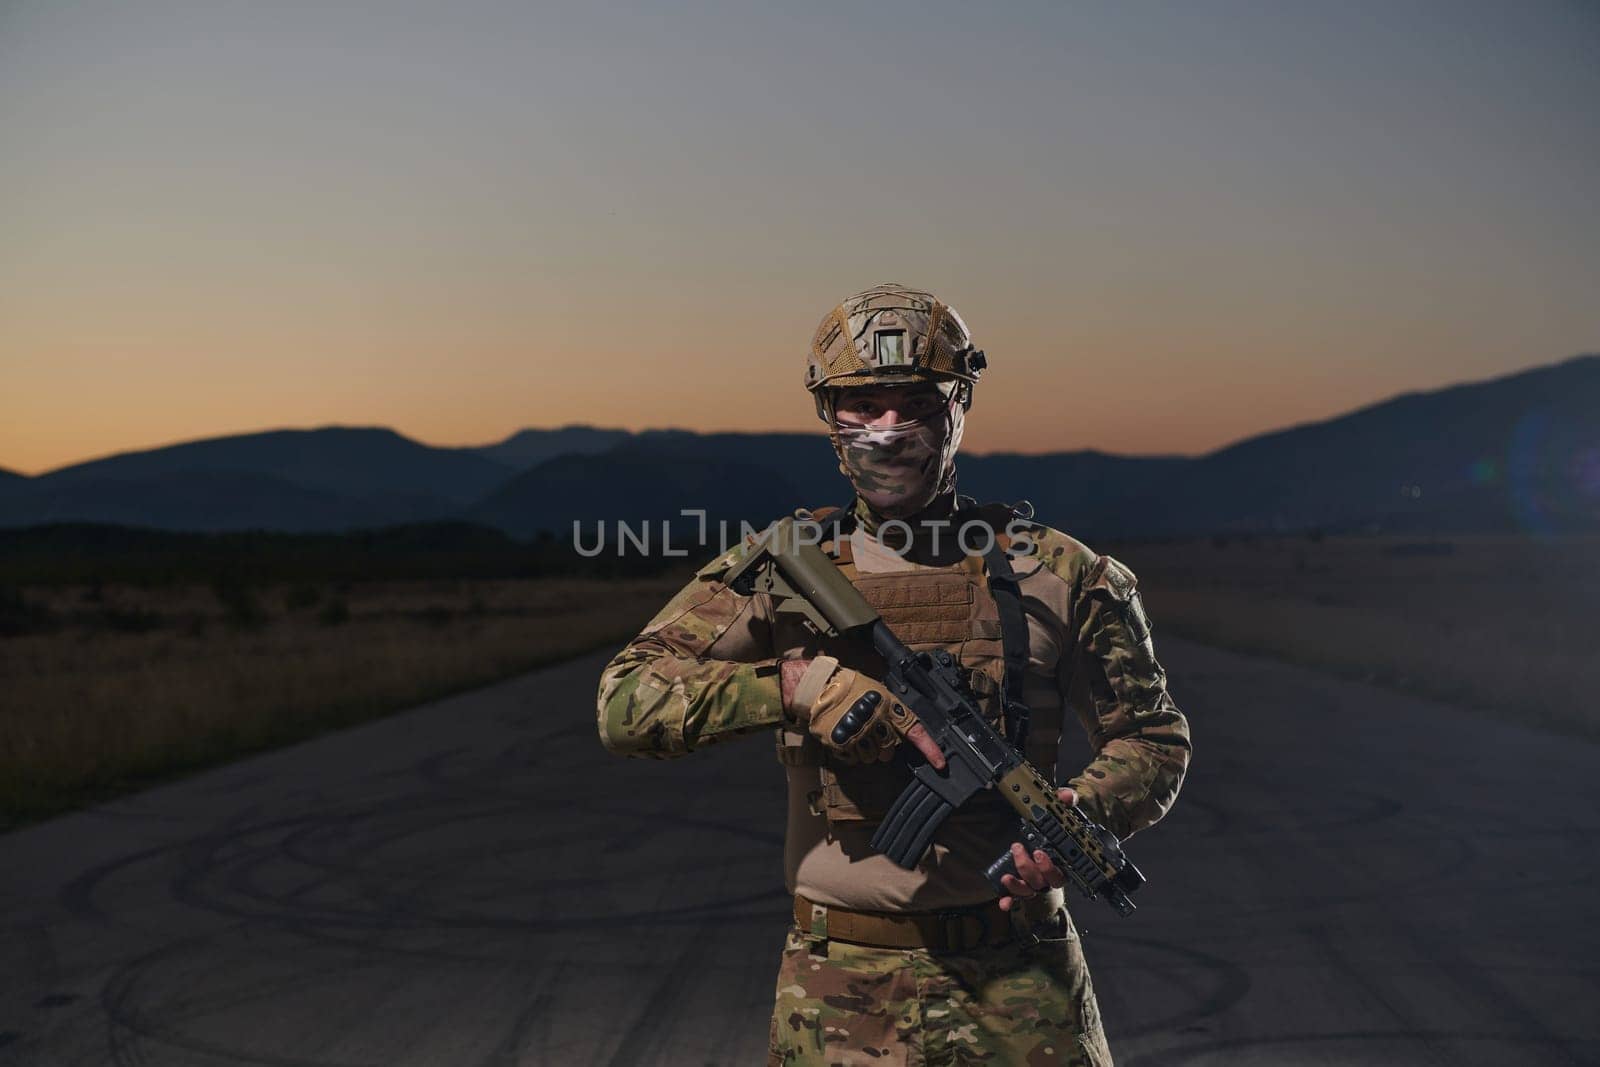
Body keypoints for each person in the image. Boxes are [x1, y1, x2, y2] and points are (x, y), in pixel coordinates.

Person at [596, 283, 1191, 1065]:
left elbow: (1151, 737)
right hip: (837, 987)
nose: (885, 429)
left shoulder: (1060, 572)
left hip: (1020, 981)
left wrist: (1087, 809)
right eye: (860, 404)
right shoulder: (786, 563)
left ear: (959, 402)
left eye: (911, 401)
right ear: (827, 417)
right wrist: (798, 688)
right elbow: (625, 699)